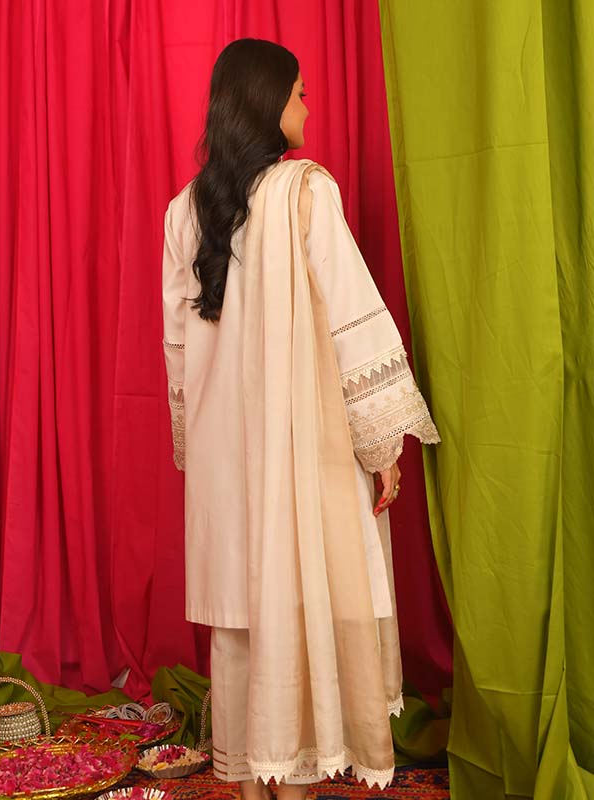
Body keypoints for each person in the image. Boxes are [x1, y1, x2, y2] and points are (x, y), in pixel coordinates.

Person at [162, 38, 440, 800]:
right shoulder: (307, 192)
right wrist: (381, 445)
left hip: (223, 456)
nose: (308, 109)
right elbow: (353, 320)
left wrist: (196, 448)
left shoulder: (185, 211)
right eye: (299, 95)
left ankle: (256, 782)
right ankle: (294, 780)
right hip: (296, 450)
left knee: (245, 621)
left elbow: (177, 347)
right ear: (267, 103)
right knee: (301, 601)